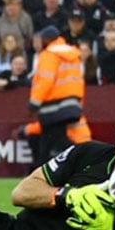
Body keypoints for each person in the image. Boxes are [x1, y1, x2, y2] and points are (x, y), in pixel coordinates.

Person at [29, 25, 84, 165]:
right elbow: (78, 81)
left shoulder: (48, 55)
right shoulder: (73, 55)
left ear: (46, 39)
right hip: (72, 104)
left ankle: (81, 159)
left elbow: (45, 81)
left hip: (52, 107)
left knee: (52, 141)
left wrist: (34, 103)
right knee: (51, 140)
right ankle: (40, 170)